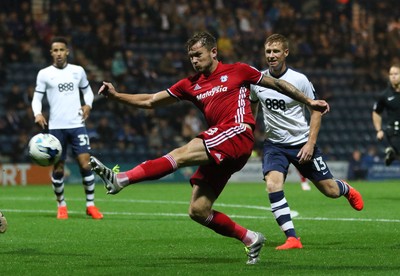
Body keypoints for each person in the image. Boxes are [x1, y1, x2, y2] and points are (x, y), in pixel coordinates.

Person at [89, 31, 329, 265]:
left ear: (213, 52)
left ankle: (122, 179)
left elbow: (277, 84)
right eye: (191, 57)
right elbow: (151, 100)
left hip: (237, 132)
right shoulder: (189, 84)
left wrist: (308, 101)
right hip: (221, 148)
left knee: (180, 153)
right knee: (198, 210)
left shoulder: (239, 71)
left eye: (198, 54)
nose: (194, 60)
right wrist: (117, 95)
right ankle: (250, 238)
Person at [249, 34, 364, 250]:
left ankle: (346, 189)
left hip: (301, 143)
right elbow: (253, 107)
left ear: (286, 53)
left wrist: (310, 144)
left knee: (329, 191)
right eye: (268, 52)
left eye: (276, 52)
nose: (271, 56)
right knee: (273, 184)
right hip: (274, 145)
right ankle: (292, 238)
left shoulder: (299, 80)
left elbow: (316, 111)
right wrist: (249, 131)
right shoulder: (258, 81)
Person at [31, 36, 103, 220]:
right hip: (56, 128)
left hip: (77, 124)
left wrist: (88, 105)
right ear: (51, 53)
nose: (58, 54)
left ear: (67, 51)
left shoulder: (78, 71)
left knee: (85, 164)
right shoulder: (44, 74)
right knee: (59, 168)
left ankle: (90, 205)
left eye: (61, 50)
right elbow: (37, 98)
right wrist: (37, 113)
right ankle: (61, 205)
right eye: (55, 50)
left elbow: (87, 92)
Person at [372, 63, 400, 166]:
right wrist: (379, 130)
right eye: (391, 74)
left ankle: (392, 153)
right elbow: (376, 112)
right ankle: (393, 152)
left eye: (396, 74)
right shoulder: (385, 95)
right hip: (393, 130)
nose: (393, 76)